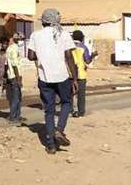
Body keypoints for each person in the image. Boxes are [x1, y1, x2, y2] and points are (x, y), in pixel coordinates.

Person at [28, 9, 78, 154]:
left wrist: (43, 54)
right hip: (61, 76)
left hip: (44, 77)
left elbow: (31, 56)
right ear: (57, 20)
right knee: (67, 103)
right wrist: (74, 78)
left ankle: (50, 146)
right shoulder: (63, 33)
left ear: (43, 21)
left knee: (49, 111)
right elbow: (69, 57)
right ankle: (59, 130)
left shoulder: (35, 35)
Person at [70, 30, 96, 118]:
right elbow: (87, 61)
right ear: (82, 38)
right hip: (81, 74)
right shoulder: (83, 47)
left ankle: (70, 111)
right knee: (81, 95)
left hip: (69, 73)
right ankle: (80, 113)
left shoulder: (68, 47)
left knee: (70, 94)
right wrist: (93, 55)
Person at [5, 33, 25, 124]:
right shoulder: (14, 48)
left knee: (17, 97)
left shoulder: (9, 49)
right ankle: (13, 117)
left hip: (11, 75)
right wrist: (18, 79)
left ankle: (18, 116)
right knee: (16, 98)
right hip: (14, 76)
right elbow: (15, 65)